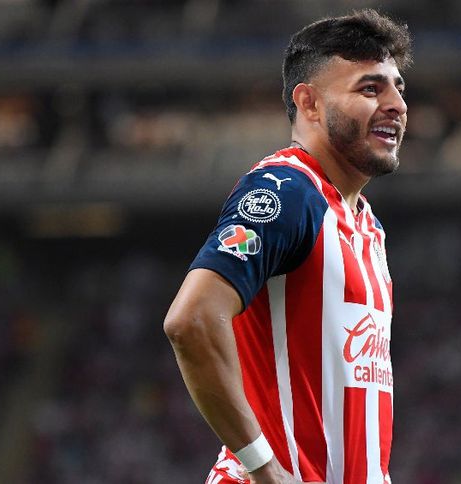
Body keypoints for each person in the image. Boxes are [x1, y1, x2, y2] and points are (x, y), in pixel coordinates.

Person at [163, 8, 411, 484]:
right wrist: (263, 467)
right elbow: (191, 319)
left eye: (399, 88)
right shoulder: (286, 191)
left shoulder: (368, 228)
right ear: (309, 103)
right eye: (370, 88)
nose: (396, 104)